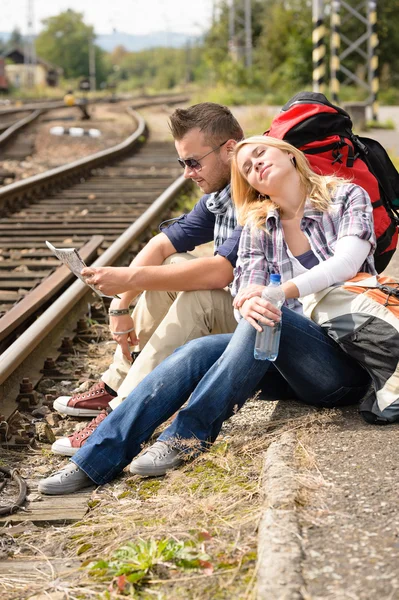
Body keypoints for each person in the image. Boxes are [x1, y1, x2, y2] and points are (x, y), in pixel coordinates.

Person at [39, 136, 375, 495]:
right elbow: (245, 285)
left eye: (260, 153)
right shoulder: (258, 224)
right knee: (196, 351)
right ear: (250, 185)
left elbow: (346, 264)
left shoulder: (344, 197)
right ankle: (94, 459)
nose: (256, 164)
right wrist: (246, 301)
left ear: (289, 154)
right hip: (283, 366)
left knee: (269, 313)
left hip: (344, 362)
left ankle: (184, 437)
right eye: (246, 168)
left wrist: (274, 295)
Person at [50, 102, 243, 456]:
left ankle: (119, 415)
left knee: (196, 294)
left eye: (193, 162)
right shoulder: (221, 193)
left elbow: (220, 271)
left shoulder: (260, 188)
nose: (187, 173)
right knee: (174, 263)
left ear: (229, 149)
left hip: (275, 330)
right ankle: (116, 384)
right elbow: (162, 244)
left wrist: (129, 277)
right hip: (244, 312)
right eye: (182, 163)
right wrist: (121, 303)